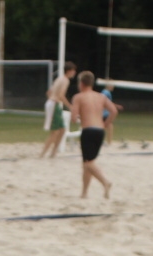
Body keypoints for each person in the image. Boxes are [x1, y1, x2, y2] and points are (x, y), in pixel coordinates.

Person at [68, 70, 117, 198]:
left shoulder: (78, 97)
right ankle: (84, 193)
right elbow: (114, 111)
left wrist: (76, 115)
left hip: (88, 130)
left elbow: (73, 118)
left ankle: (105, 182)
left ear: (81, 83)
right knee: (89, 162)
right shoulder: (101, 97)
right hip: (100, 131)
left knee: (88, 163)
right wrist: (105, 124)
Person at [39, 62, 77, 158]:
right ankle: (42, 154)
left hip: (53, 104)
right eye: (73, 70)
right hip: (54, 105)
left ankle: (53, 153)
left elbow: (49, 92)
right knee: (55, 132)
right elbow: (61, 95)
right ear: (69, 71)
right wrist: (70, 106)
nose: (74, 72)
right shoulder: (65, 80)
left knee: (62, 129)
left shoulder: (59, 79)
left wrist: (52, 100)